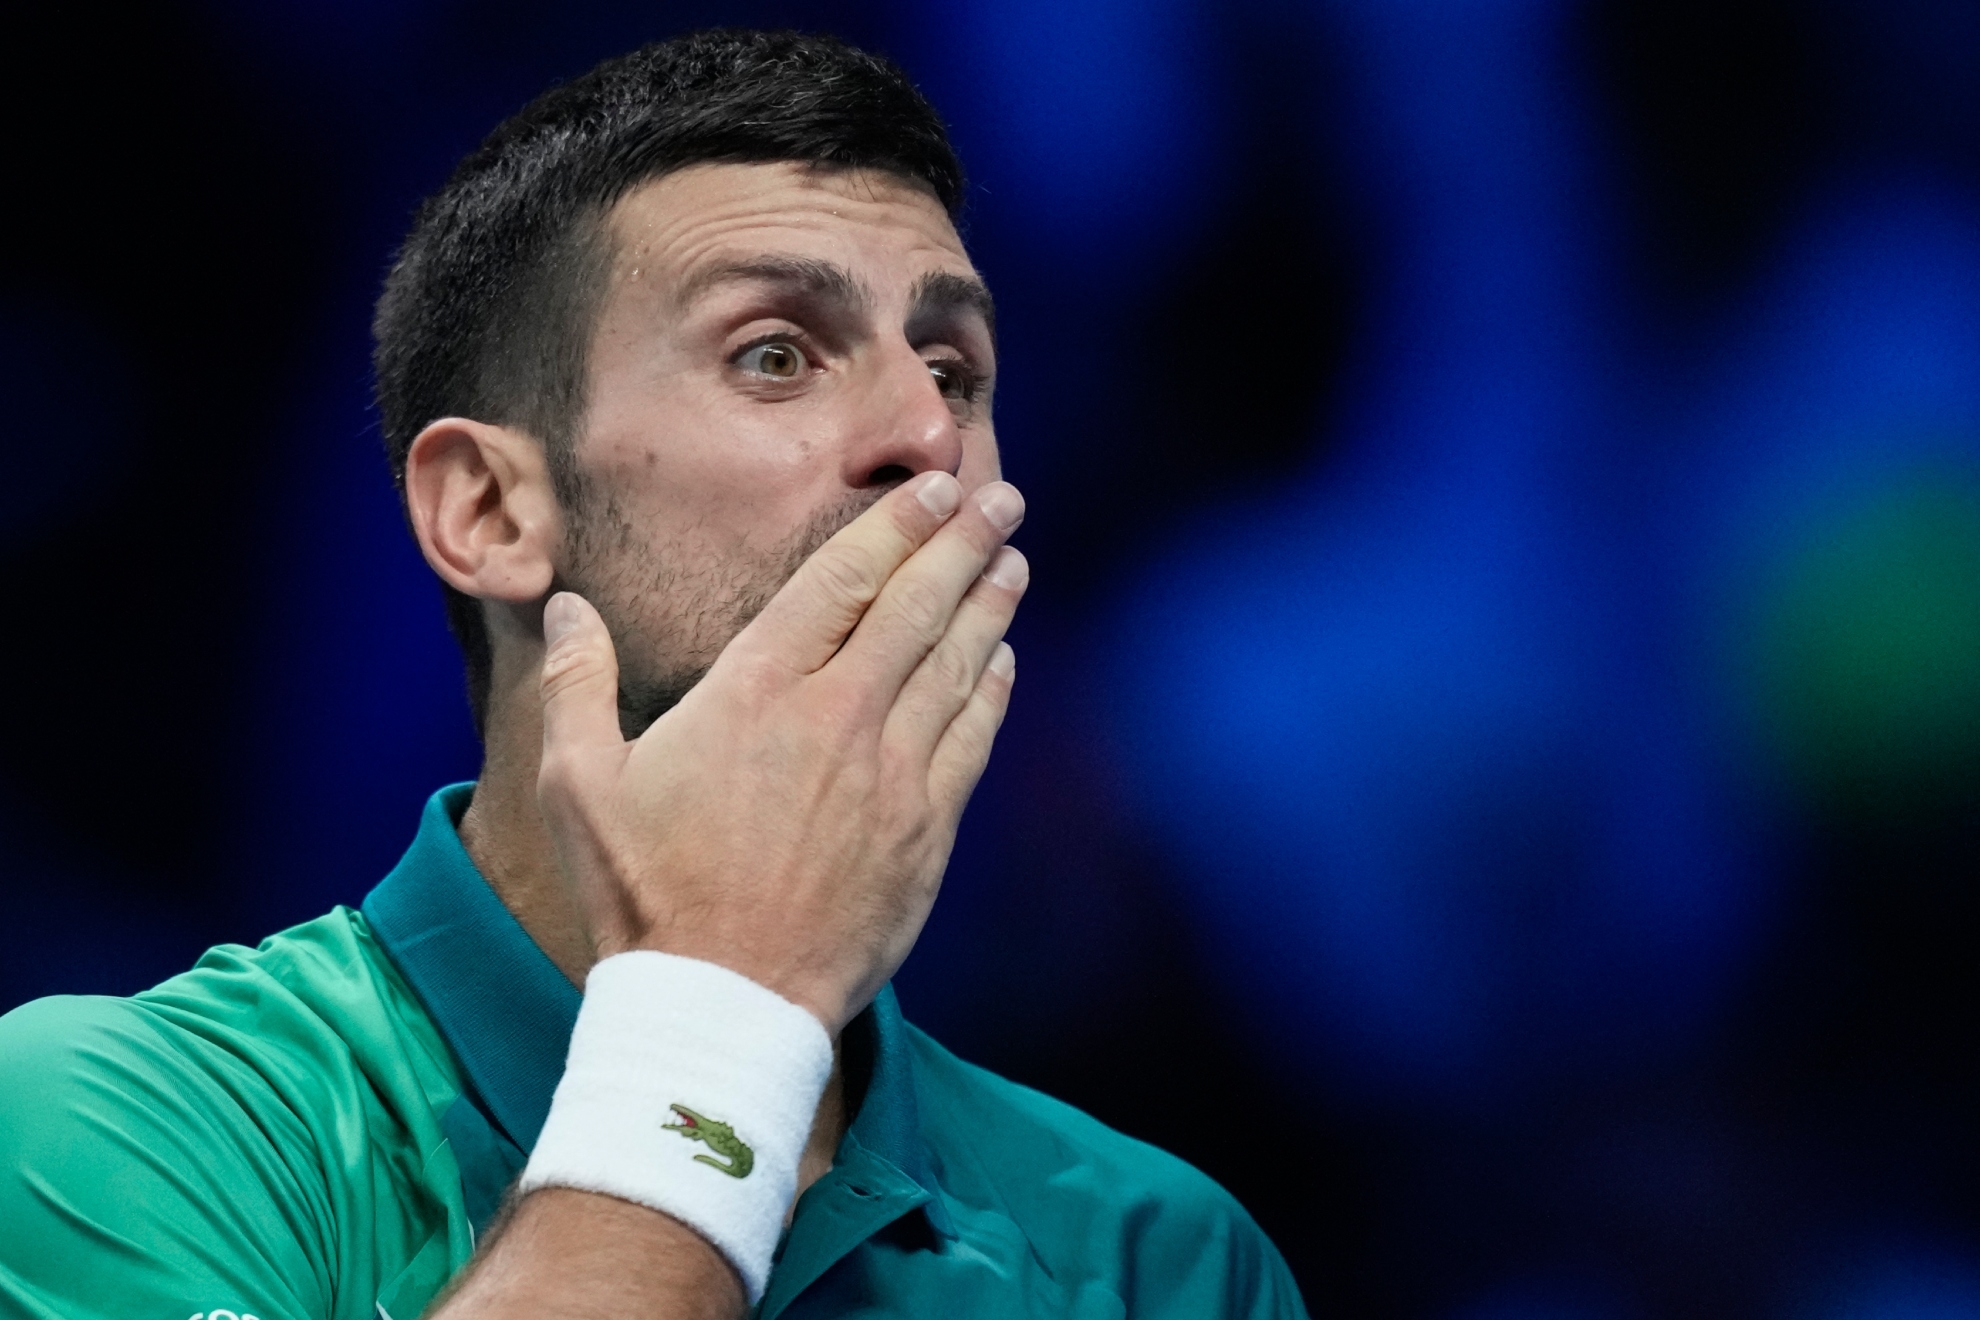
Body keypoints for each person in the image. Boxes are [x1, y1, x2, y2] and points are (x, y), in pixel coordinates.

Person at [0, 29, 1306, 1320]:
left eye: (955, 372)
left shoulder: (1160, 1254)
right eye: (775, 354)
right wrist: (723, 1012)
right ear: (490, 512)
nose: (925, 439)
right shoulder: (106, 1127)